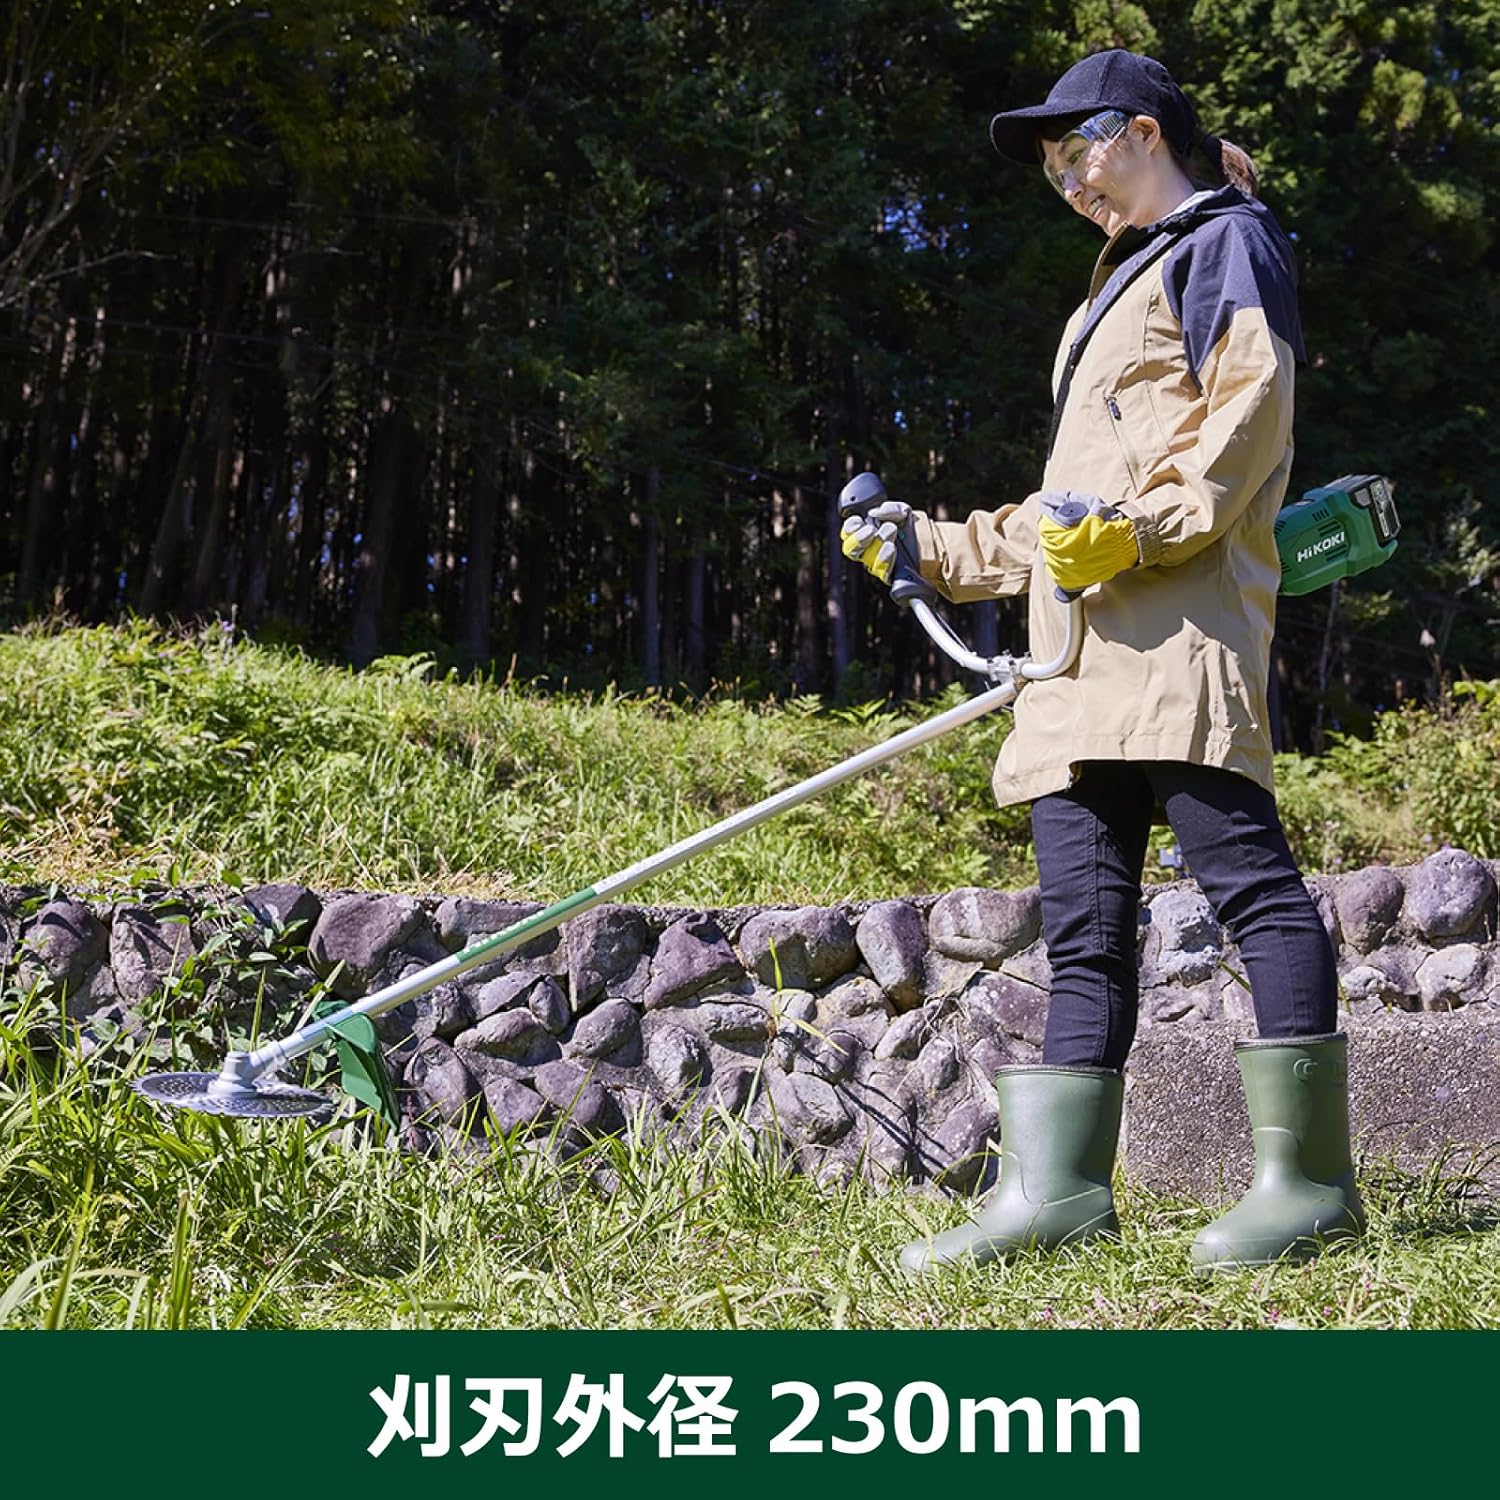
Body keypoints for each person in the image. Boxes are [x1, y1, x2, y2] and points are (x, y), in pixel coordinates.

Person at [841, 49, 1364, 1274]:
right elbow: (1067, 510)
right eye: (1053, 171)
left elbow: (1248, 417)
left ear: (1140, 131)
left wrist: (1140, 530)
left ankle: (1309, 1187)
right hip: (1074, 670)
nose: (1069, 182)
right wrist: (930, 548)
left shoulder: (1224, 244)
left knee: (1250, 888)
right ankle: (1059, 1194)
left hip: (1181, 642)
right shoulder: (1109, 291)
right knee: (1084, 933)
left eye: (1077, 152)